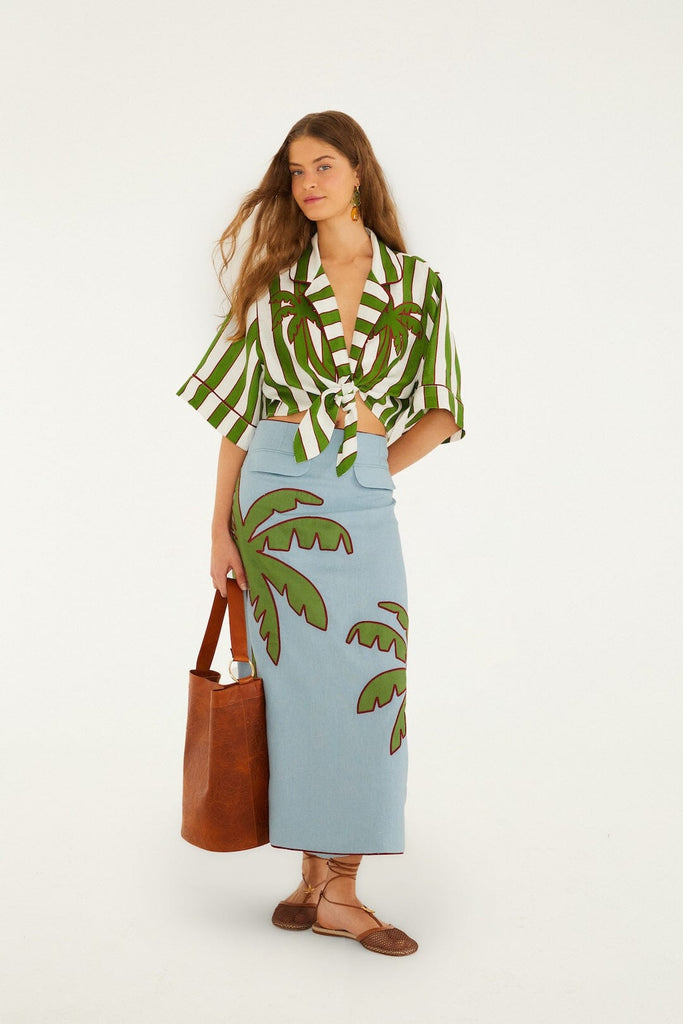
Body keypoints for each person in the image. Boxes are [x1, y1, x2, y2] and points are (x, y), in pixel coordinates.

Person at [176, 110, 465, 957]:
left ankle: (341, 884)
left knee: (368, 685)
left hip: (358, 501)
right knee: (291, 692)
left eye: (323, 166)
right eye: (296, 171)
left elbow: (443, 410)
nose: (307, 184)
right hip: (271, 501)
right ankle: (315, 881)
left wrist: (369, 469)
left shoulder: (416, 285)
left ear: (358, 171)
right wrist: (219, 529)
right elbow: (237, 416)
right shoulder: (274, 282)